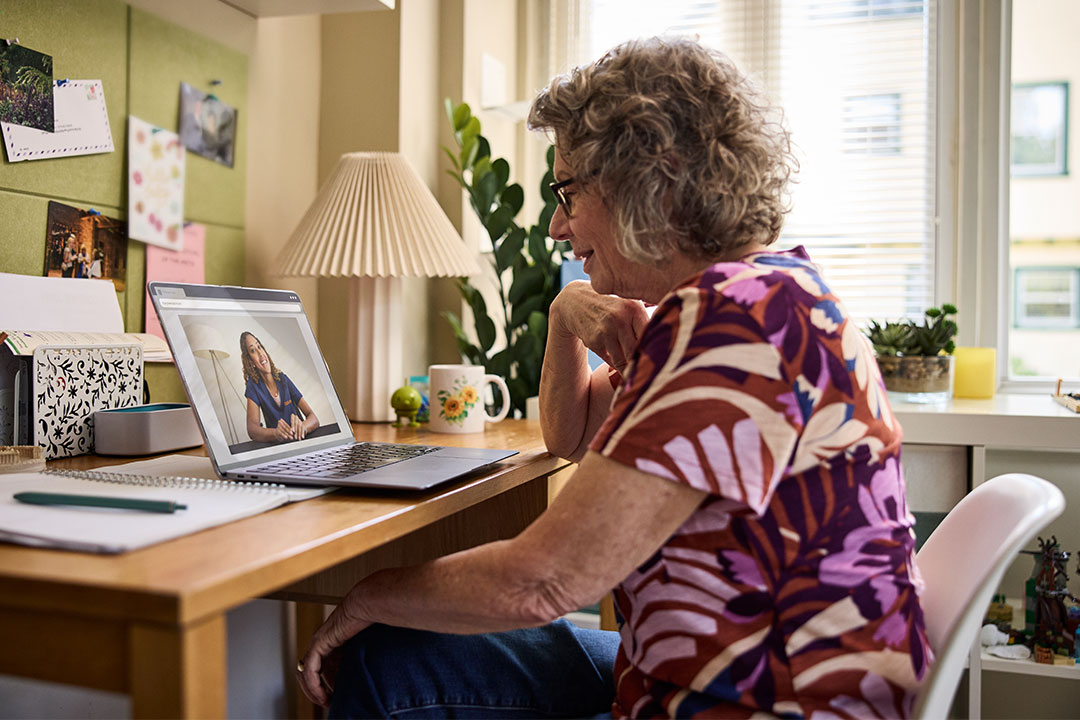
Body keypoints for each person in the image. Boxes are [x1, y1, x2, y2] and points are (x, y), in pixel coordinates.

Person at [298, 37, 931, 718]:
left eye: (568, 190)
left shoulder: (735, 327)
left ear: (648, 180)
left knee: (380, 648)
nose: (556, 223)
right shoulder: (769, 297)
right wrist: (567, 314)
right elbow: (570, 435)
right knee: (400, 648)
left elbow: (542, 583)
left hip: (760, 697)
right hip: (745, 664)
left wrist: (363, 594)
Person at [240, 331, 319, 443]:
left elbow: (313, 418)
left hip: (301, 441)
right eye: (253, 350)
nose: (260, 353)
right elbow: (252, 429)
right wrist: (276, 433)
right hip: (280, 448)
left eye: (259, 346)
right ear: (250, 361)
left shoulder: (283, 379)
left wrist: (302, 428)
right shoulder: (253, 387)